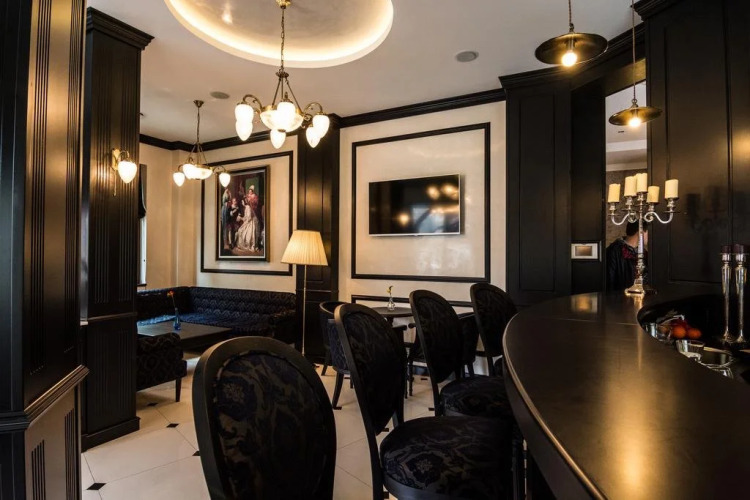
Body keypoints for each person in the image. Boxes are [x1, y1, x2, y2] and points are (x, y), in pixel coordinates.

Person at [606, 221, 648, 291]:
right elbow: (609, 283)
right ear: (640, 232)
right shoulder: (613, 251)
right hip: (621, 296)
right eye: (647, 232)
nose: (649, 236)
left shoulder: (644, 253)